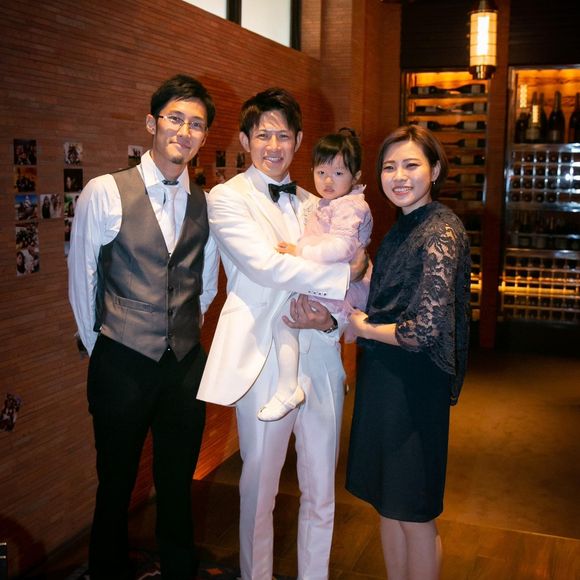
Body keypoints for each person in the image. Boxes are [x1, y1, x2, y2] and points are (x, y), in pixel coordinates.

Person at [197, 88, 364, 580]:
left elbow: (357, 260)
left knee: (321, 493)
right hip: (266, 359)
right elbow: (267, 267)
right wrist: (345, 275)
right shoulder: (226, 198)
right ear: (245, 140)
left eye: (284, 136)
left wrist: (332, 321)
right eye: (263, 135)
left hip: (323, 357)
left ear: (299, 140)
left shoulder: (318, 201)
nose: (274, 146)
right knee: (260, 491)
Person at [68, 74, 219, 580]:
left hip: (184, 367)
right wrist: (105, 348)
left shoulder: (205, 202)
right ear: (152, 123)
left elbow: (206, 283)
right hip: (121, 361)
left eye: (196, 124)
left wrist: (183, 331)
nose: (184, 131)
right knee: (115, 484)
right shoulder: (104, 192)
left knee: (178, 483)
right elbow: (82, 279)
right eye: (175, 118)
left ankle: (178, 571)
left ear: (204, 136)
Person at [345, 124, 471, 580]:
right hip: (385, 379)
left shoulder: (441, 230)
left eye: (411, 165)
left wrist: (363, 327)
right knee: (388, 503)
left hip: (415, 388)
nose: (399, 176)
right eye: (389, 167)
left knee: (415, 513)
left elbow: (425, 330)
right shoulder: (402, 228)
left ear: (434, 170)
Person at [258, 129, 373, 421]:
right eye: (321, 172)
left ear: (356, 176)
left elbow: (340, 247)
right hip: (328, 283)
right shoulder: (325, 202)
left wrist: (299, 251)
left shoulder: (350, 206)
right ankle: (289, 388)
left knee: (284, 321)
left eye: (338, 173)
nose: (328, 180)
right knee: (285, 322)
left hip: (340, 287)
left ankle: (288, 389)